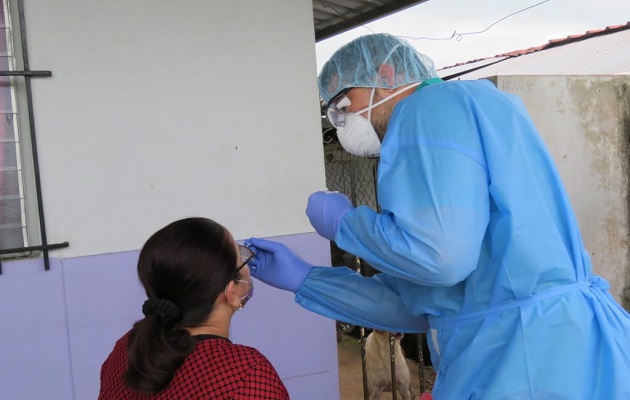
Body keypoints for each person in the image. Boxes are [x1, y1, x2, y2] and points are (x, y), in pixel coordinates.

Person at [246, 33, 630, 399]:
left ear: (386, 75)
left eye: (345, 107)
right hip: (562, 347)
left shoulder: (426, 110)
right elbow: (424, 303)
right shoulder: (479, 109)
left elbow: (439, 260)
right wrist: (307, 279)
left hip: (525, 361)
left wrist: (346, 225)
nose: (344, 124)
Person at [99, 217, 289, 400]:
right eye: (241, 258)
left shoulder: (127, 347)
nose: (246, 262)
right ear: (231, 293)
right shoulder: (246, 375)